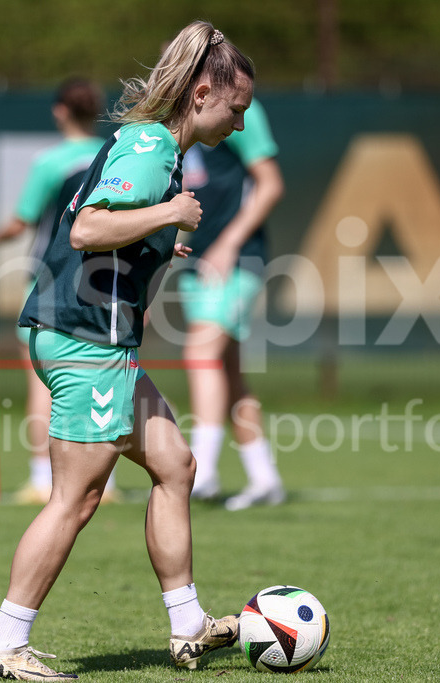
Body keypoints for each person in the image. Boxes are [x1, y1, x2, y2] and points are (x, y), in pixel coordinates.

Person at [0, 21, 255, 680]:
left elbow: (107, 233)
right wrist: (168, 216)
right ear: (203, 93)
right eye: (235, 109)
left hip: (94, 337)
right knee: (76, 498)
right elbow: (87, 228)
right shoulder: (154, 147)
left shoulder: (153, 145)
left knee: (175, 464)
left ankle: (188, 625)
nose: (239, 124)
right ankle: (4, 644)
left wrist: (157, 241)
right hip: (85, 340)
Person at [0, 77, 119, 505]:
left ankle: (41, 478)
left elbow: (21, 223)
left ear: (59, 111)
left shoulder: (50, 162)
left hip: (52, 283)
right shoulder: (116, 157)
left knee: (45, 386)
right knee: (106, 380)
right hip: (107, 284)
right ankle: (102, 482)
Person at [179, 99, 286, 511]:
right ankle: (264, 477)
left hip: (234, 258)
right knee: (228, 371)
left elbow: (270, 183)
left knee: (200, 352)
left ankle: (201, 470)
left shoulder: (240, 110)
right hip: (197, 260)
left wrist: (228, 243)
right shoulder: (174, 118)